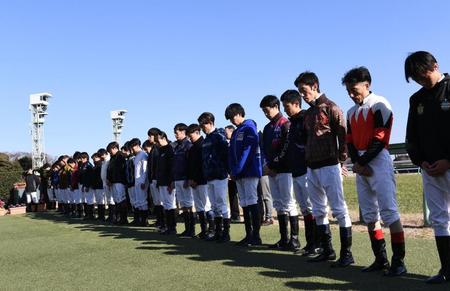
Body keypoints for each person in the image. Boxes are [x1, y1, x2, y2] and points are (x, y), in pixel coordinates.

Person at [343, 67, 406, 276]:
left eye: (354, 89)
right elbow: (349, 141)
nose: (352, 94)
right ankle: (381, 259)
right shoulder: (351, 112)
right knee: (369, 214)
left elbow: (381, 137)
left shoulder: (380, 103)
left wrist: (362, 161)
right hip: (361, 162)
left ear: (366, 84)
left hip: (378, 159)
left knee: (389, 211)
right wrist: (358, 163)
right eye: (348, 91)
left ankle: (399, 261)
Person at [295, 71, 353, 267]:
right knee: (319, 210)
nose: (303, 95)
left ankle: (347, 253)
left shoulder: (331, 107)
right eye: (300, 92)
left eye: (304, 91)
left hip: (329, 165)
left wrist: (342, 161)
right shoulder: (309, 113)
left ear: (314, 86)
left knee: (339, 209)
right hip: (312, 167)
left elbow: (343, 136)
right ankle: (327, 250)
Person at [405, 51, 450, 284]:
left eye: (423, 74)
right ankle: (446, 269)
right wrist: (419, 160)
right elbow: (411, 135)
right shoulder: (416, 99)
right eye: (416, 77)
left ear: (435, 65)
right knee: (439, 218)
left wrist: (448, 160)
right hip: (430, 168)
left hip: (448, 164)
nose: (421, 80)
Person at [280, 89, 319, 257]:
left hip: (306, 169)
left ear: (296, 104)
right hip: (294, 171)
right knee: (304, 208)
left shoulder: (305, 118)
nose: (285, 109)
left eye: (287, 106)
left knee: (311, 207)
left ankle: (317, 244)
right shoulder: (293, 122)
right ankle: (310, 243)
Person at [260, 95, 299, 252]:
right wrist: (268, 166)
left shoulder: (285, 123)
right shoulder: (268, 128)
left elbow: (286, 148)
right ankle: (284, 238)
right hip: (272, 172)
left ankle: (294, 240)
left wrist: (275, 164)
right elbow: (264, 150)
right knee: (279, 205)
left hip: (285, 171)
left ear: (276, 106)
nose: (266, 113)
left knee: (289, 203)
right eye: (263, 111)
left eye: (267, 110)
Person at [225, 103, 262, 246]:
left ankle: (256, 236)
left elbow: (248, 151)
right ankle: (248, 234)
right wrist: (232, 170)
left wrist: (238, 169)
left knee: (252, 201)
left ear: (239, 114)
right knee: (244, 202)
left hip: (249, 171)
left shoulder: (249, 127)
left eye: (233, 117)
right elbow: (231, 153)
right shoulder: (236, 132)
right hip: (238, 174)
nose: (232, 121)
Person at [198, 112, 231, 243]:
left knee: (221, 203)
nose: (202, 128)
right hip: (209, 176)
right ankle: (218, 231)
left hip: (219, 175)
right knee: (214, 205)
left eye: (203, 124)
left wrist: (227, 170)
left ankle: (226, 233)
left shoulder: (219, 136)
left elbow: (225, 154)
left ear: (210, 123)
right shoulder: (206, 139)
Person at [187, 123, 214, 239]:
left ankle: (212, 229)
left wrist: (197, 179)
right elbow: (191, 166)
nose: (189, 137)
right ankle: (204, 230)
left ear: (197, 132)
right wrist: (190, 179)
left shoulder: (203, 145)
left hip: (203, 181)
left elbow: (203, 165)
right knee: (199, 207)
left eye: (190, 134)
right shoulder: (192, 148)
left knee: (207, 205)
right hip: (194, 182)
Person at [171, 123, 195, 237]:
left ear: (183, 132)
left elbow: (190, 164)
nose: (176, 134)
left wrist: (188, 177)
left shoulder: (188, 145)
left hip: (185, 179)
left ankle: (192, 229)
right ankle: (187, 229)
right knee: (183, 205)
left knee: (188, 204)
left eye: (177, 132)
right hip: (177, 179)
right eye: (175, 132)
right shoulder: (177, 146)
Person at [156, 131, 177, 234]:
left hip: (168, 182)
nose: (157, 143)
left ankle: (172, 227)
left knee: (170, 204)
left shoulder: (169, 149)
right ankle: (168, 226)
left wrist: (171, 181)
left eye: (158, 140)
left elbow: (172, 167)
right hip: (161, 181)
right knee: (165, 204)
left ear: (164, 138)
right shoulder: (161, 150)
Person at [147, 127, 165, 231]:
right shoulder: (154, 148)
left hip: (158, 179)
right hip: (153, 178)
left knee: (161, 202)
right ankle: (159, 221)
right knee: (157, 202)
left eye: (150, 135)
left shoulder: (159, 148)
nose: (149, 138)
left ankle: (163, 222)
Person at [107, 142, 128, 225]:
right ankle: (118, 218)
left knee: (121, 200)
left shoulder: (120, 156)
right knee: (116, 200)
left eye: (110, 150)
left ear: (115, 148)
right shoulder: (112, 158)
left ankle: (123, 218)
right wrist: (109, 179)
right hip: (114, 182)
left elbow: (122, 170)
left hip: (120, 181)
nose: (110, 152)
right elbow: (110, 170)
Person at [129, 138, 149, 226]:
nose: (131, 150)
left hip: (142, 182)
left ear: (137, 146)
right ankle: (140, 219)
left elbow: (145, 169)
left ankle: (144, 220)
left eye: (132, 147)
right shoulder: (137, 156)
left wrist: (144, 182)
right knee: (138, 201)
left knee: (143, 201)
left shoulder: (143, 155)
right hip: (137, 181)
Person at [258, 130, 274, 226]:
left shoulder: (263, 145)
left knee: (266, 195)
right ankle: (261, 216)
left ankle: (269, 217)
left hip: (264, 171)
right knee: (260, 196)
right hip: (257, 172)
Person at [225, 124, 241, 222]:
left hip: (238, 172)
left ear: (232, 131)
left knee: (243, 195)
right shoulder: (227, 144)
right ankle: (235, 215)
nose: (225, 134)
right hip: (230, 173)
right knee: (232, 195)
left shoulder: (236, 143)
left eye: (226, 132)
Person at [79, 152, 95, 220]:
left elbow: (90, 177)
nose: (81, 159)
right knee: (87, 200)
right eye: (81, 158)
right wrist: (83, 186)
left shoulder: (88, 165)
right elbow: (83, 177)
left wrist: (88, 186)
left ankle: (91, 215)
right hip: (85, 184)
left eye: (83, 158)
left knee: (90, 200)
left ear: (86, 158)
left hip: (89, 185)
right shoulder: (83, 165)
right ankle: (87, 214)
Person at [91, 152, 106, 221]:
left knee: (101, 201)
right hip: (95, 186)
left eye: (95, 158)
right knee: (98, 201)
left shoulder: (101, 165)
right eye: (93, 159)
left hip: (100, 185)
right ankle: (100, 216)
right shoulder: (95, 166)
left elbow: (100, 177)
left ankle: (102, 216)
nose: (94, 160)